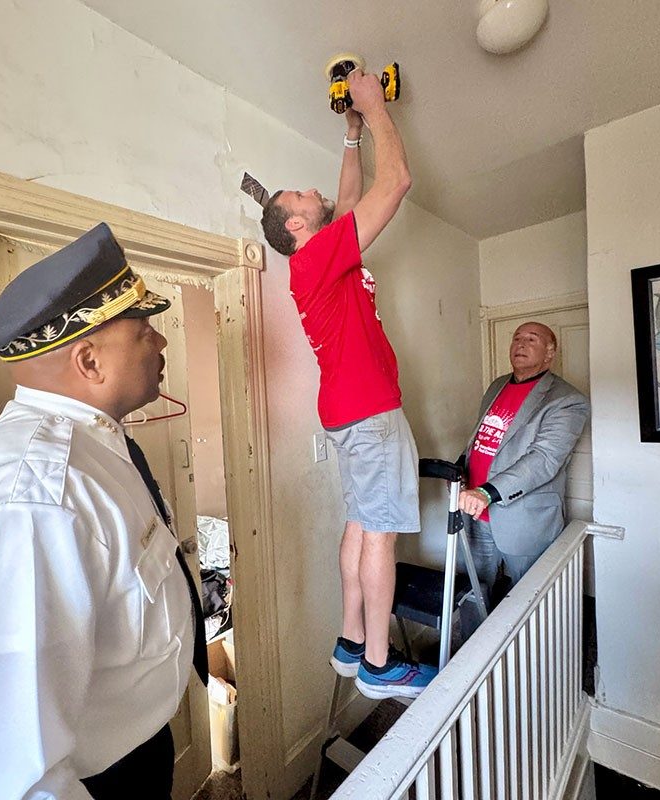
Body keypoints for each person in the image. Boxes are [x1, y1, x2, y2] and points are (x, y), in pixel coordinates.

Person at [0, 223, 207, 800]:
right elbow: (6, 779)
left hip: (139, 751)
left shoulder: (97, 448)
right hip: (97, 781)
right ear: (89, 361)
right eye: (144, 331)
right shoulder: (28, 502)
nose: (160, 343)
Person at [260, 69, 435, 699]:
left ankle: (350, 640)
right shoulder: (313, 257)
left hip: (346, 411)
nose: (314, 192)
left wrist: (352, 136)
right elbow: (399, 185)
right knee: (380, 531)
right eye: (301, 196)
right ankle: (381, 666)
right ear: (296, 227)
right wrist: (377, 107)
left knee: (362, 524)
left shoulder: (319, 257)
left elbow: (350, 194)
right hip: (369, 411)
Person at [457, 321, 589, 615]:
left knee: (532, 604)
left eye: (532, 339)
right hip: (476, 514)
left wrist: (487, 492)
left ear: (549, 353)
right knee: (473, 594)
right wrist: (458, 469)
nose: (521, 344)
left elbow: (544, 459)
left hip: (525, 519)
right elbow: (484, 441)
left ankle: (536, 661)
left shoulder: (567, 400)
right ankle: (474, 657)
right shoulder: (496, 387)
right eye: (517, 338)